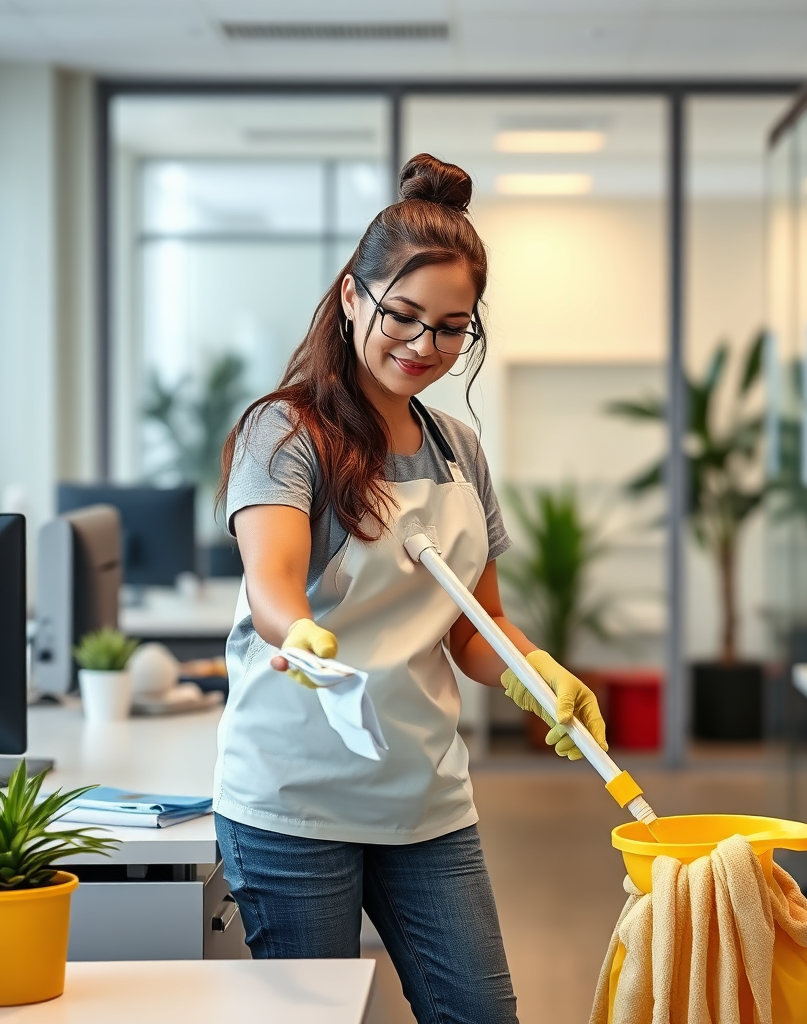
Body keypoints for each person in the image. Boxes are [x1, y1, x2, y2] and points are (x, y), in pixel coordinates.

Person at [212, 153, 609, 1024]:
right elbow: (275, 582)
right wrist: (299, 631)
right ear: (353, 296)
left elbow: (477, 620)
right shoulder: (287, 433)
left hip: (425, 797)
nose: (424, 347)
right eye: (404, 316)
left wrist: (532, 674)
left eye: (451, 328)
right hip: (295, 800)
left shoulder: (458, 447)